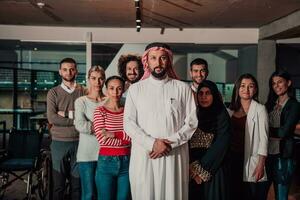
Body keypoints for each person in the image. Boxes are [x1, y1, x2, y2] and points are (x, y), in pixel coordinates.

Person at [124, 42, 198, 200]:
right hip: (145, 155)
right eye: (153, 58)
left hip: (174, 153)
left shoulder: (182, 88)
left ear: (169, 61)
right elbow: (129, 123)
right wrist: (152, 143)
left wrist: (168, 143)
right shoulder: (135, 89)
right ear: (147, 61)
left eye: (162, 58)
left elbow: (191, 123)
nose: (158, 63)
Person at [47, 57, 85, 200]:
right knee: (58, 185)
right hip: (59, 142)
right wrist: (77, 119)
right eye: (65, 69)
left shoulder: (83, 91)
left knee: (77, 185)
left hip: (80, 142)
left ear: (76, 71)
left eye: (71, 69)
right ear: (60, 72)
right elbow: (52, 118)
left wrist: (66, 114)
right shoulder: (53, 92)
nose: (68, 72)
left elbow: (87, 116)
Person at [228, 74, 269, 200]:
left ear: (255, 90)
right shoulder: (230, 110)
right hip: (231, 159)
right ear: (237, 88)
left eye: (250, 86)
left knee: (249, 195)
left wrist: (261, 165)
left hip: (250, 159)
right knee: (234, 193)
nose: (246, 90)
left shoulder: (260, 109)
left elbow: (264, 139)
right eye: (243, 86)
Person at [189, 80, 231, 200]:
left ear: (214, 95)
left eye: (208, 93)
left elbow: (221, 144)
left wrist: (200, 170)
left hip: (214, 168)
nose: (204, 97)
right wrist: (191, 166)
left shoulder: (221, 114)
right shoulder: (194, 113)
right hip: (192, 169)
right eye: (200, 93)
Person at [93, 76, 131, 200]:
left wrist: (113, 134)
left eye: (119, 88)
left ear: (124, 89)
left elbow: (133, 136)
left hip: (127, 161)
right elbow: (102, 139)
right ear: (106, 90)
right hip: (106, 162)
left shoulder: (128, 111)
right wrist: (124, 135)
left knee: (124, 198)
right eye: (112, 88)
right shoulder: (100, 111)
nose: (115, 92)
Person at [265, 70, 300, 200]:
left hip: (284, 156)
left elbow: (283, 132)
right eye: (273, 83)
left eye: (280, 82)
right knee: (262, 192)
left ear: (288, 83)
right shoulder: (269, 105)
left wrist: (263, 131)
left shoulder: (294, 105)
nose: (276, 86)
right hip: (267, 155)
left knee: (281, 195)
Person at [74, 66, 106, 200]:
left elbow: (117, 125)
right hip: (86, 155)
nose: (97, 82)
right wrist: (104, 128)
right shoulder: (81, 101)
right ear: (88, 79)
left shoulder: (110, 100)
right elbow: (80, 125)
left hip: (106, 154)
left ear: (104, 80)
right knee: (89, 194)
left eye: (100, 78)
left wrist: (93, 126)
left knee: (104, 194)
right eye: (93, 78)